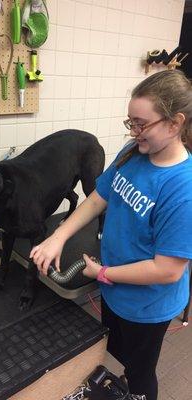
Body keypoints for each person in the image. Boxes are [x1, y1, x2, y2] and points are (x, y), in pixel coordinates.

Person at [30, 69, 192, 400]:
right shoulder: (132, 154)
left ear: (175, 123)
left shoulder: (182, 189)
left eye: (141, 124)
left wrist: (101, 272)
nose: (134, 132)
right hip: (114, 289)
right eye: (130, 122)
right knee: (118, 356)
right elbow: (97, 199)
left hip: (147, 306)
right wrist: (58, 236)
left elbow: (167, 269)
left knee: (140, 373)